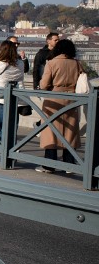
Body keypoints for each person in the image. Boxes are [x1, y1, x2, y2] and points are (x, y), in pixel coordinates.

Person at [36, 38, 82, 173]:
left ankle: (49, 164)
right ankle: (69, 164)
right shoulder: (77, 64)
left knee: (51, 131)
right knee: (70, 132)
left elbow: (44, 85)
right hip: (72, 100)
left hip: (54, 100)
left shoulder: (52, 63)